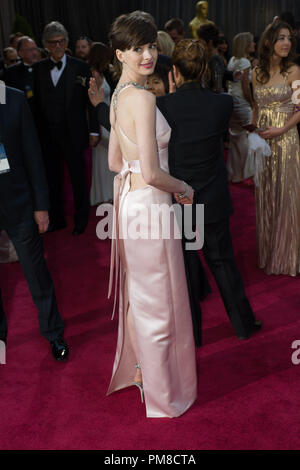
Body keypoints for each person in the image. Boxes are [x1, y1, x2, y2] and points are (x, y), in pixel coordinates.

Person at [105, 11, 197, 418]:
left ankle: (146, 374)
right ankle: (163, 399)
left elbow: (113, 163)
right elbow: (156, 171)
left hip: (131, 205)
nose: (147, 55)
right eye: (137, 48)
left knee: (144, 297)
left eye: (151, 46)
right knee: (159, 301)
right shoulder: (142, 98)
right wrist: (185, 188)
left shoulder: (118, 95)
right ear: (120, 53)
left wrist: (139, 179)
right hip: (151, 207)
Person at [157, 39, 262, 342]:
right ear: (205, 69)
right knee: (223, 263)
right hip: (213, 199)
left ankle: (193, 336)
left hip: (181, 202)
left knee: (188, 271)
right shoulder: (222, 103)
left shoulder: (162, 106)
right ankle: (244, 324)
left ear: (174, 71)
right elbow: (242, 120)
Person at [0, 85, 69, 360]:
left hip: (19, 203)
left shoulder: (15, 99)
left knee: (36, 274)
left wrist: (41, 205)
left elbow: (33, 154)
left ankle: (54, 333)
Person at [32, 21, 99, 235]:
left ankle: (81, 219)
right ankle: (57, 219)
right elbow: (34, 105)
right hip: (47, 135)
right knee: (52, 180)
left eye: (61, 41)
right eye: (53, 43)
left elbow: (91, 101)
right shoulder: (39, 69)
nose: (58, 46)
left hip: (74, 133)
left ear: (66, 42)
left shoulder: (80, 66)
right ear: (46, 45)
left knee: (78, 178)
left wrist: (94, 130)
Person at [251, 20, 300, 276]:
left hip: (286, 140)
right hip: (263, 144)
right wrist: (252, 134)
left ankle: (288, 254)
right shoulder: (256, 72)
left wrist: (280, 130)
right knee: (266, 195)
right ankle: (270, 250)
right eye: (281, 38)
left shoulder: (294, 71)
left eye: (289, 38)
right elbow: (257, 109)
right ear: (269, 41)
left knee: (285, 195)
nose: (286, 43)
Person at [88, 42, 115, 205]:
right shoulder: (94, 76)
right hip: (101, 122)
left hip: (107, 117)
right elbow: (91, 105)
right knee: (103, 160)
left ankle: (109, 193)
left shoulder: (105, 74)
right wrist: (94, 130)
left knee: (107, 160)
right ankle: (104, 194)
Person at [227, 32, 255, 182]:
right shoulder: (245, 62)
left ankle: (235, 173)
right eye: (251, 42)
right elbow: (245, 86)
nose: (254, 44)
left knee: (235, 138)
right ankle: (245, 172)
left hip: (231, 101)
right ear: (246, 45)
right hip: (242, 102)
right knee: (244, 138)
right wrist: (252, 103)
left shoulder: (232, 60)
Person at [3, 36, 39, 112]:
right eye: (30, 50)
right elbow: (3, 97)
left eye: (35, 49)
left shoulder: (45, 67)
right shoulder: (10, 72)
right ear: (20, 53)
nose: (34, 53)